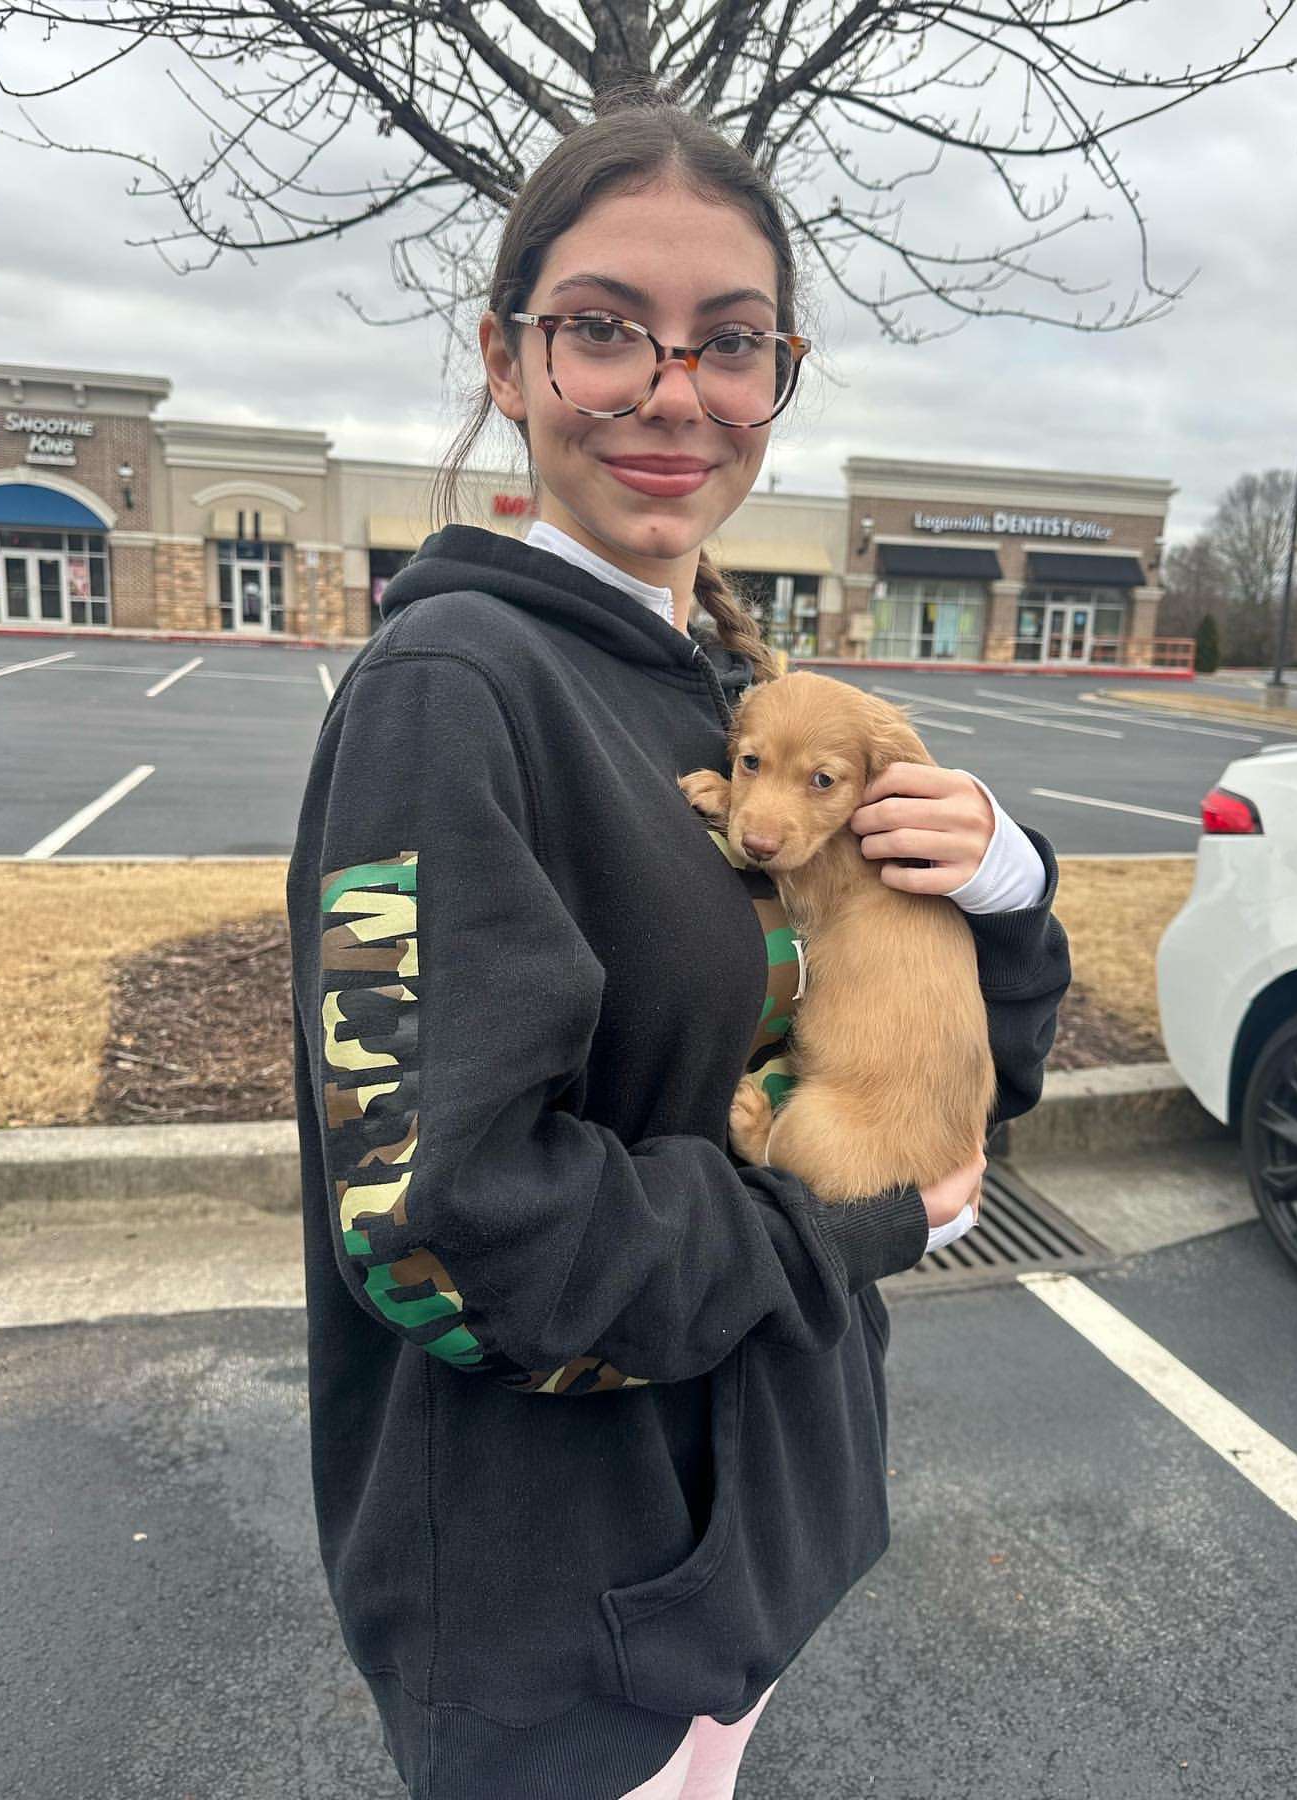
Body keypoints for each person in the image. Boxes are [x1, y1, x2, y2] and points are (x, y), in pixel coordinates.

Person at [286, 85, 1070, 1800]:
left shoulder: (741, 709)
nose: (671, 392)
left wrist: (1005, 891)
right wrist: (830, 1227)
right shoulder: (455, 696)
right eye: (601, 332)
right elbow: (442, 1236)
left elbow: (954, 1077)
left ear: (774, 382)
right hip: (569, 1638)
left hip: (732, 1571)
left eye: (731, 345)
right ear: (508, 363)